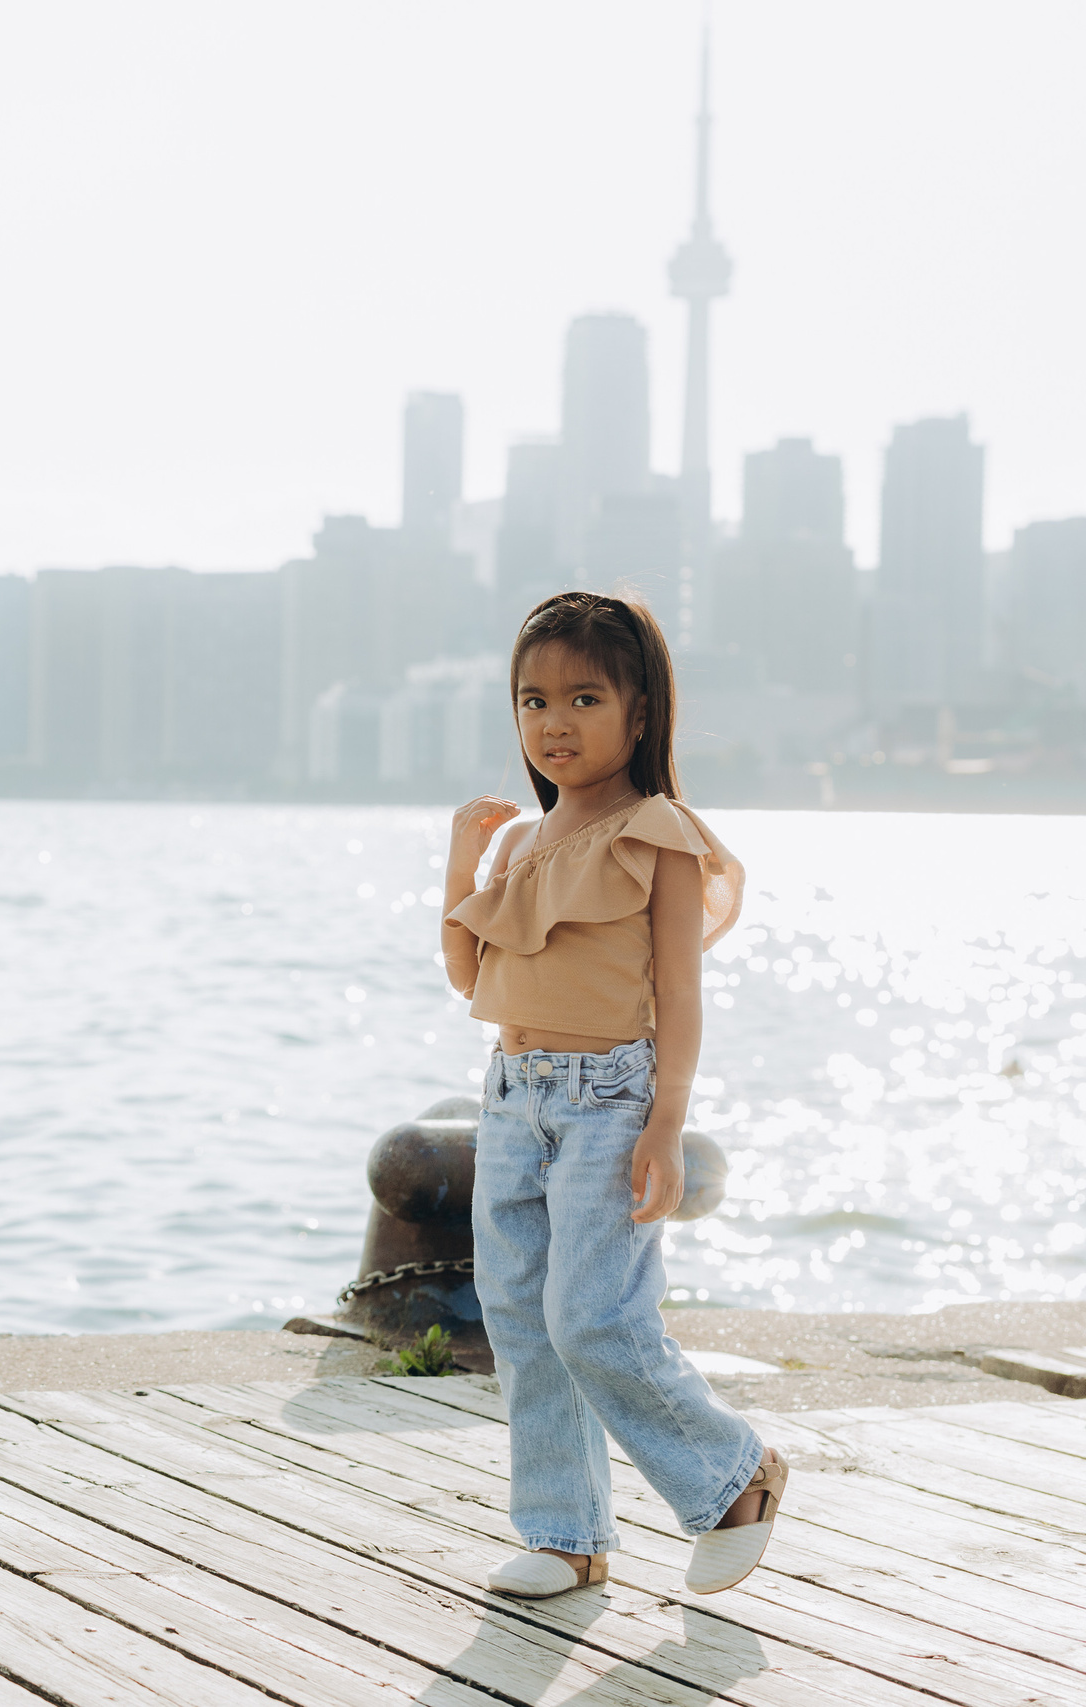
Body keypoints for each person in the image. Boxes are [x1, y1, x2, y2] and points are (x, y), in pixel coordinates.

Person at [439, 590, 786, 1600]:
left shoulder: (657, 832)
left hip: (608, 1097)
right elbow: (470, 976)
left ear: (639, 713)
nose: (554, 721)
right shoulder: (522, 845)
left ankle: (733, 1476)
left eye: (584, 697)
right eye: (532, 699)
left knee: (592, 1313)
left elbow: (679, 992)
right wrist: (463, 859)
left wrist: (665, 1127)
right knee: (516, 1315)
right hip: (509, 1094)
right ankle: (565, 1535)